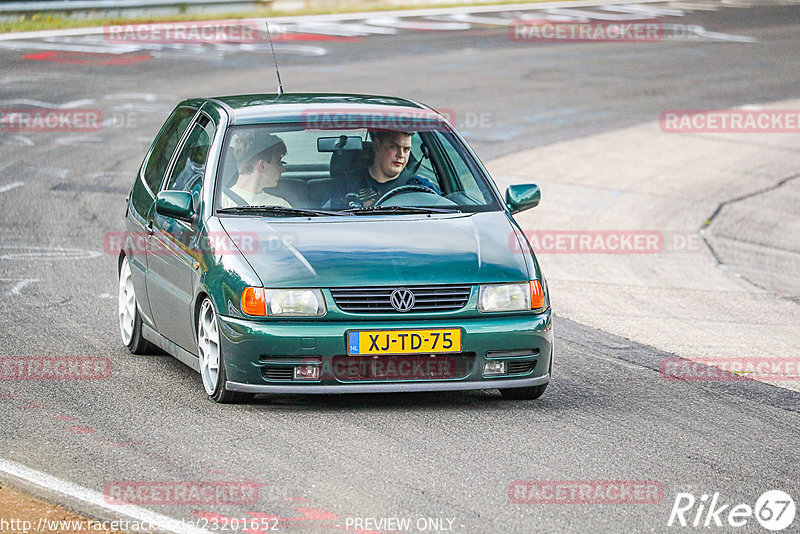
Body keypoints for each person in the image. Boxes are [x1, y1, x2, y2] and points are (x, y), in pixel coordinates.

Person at [330, 130, 440, 209]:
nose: (401, 155)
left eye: (406, 149)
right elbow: (331, 220)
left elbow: (445, 209)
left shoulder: (420, 187)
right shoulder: (346, 183)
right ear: (377, 145)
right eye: (393, 147)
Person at [221, 131, 291, 208]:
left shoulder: (220, 202)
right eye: (278, 162)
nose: (283, 169)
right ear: (262, 166)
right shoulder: (280, 206)